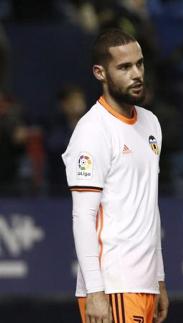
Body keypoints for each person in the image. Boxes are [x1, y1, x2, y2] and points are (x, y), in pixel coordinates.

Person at [61, 29, 168, 323]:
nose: (136, 74)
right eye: (124, 67)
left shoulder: (151, 123)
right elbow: (83, 217)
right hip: (113, 287)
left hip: (143, 285)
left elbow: (149, 206)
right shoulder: (92, 131)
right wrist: (95, 291)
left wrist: (158, 277)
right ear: (100, 73)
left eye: (139, 64)